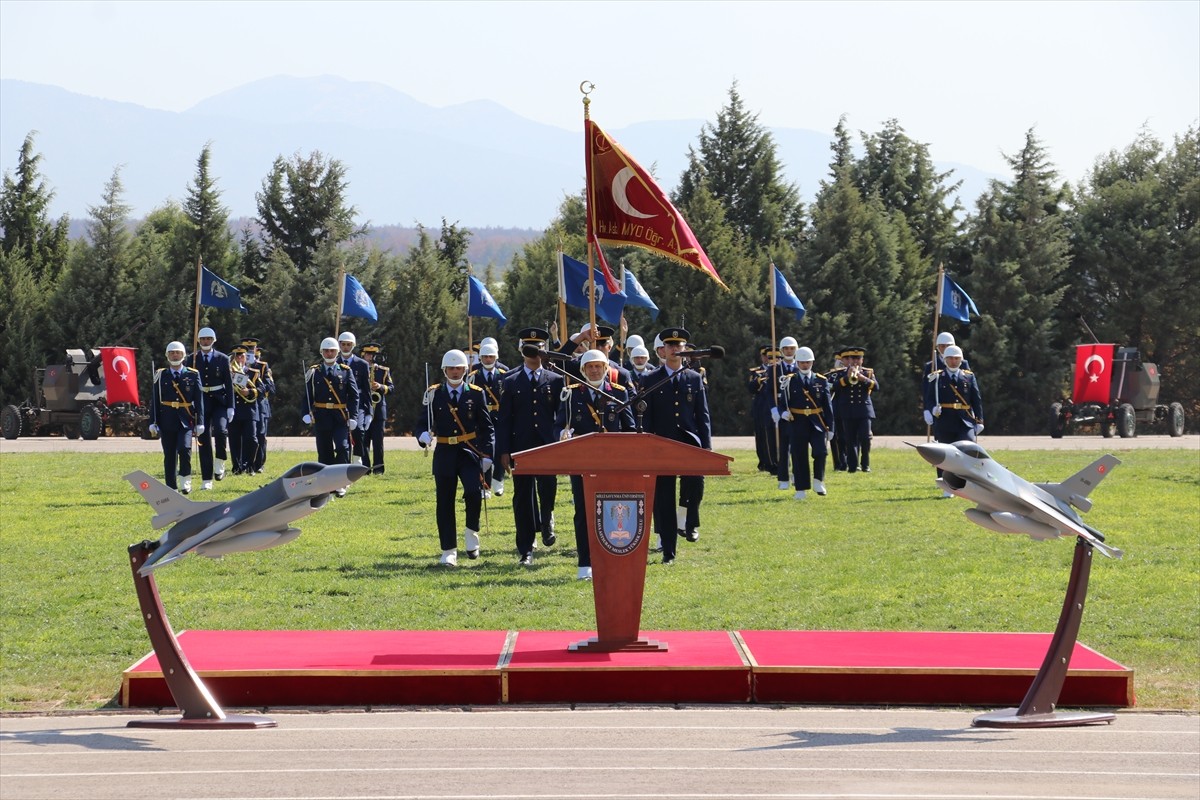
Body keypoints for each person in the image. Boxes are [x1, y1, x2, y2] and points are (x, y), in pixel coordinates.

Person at [554, 349, 637, 580]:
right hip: (582, 463)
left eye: (598, 366)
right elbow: (559, 425)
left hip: (612, 464)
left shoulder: (619, 393)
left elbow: (630, 429)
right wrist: (562, 433)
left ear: (605, 369)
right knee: (583, 512)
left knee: (612, 511)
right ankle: (585, 563)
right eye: (589, 367)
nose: (594, 370)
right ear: (582, 370)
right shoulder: (571, 395)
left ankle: (611, 557)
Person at [415, 349, 494, 566]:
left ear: (465, 369)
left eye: (459, 368)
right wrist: (422, 435)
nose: (456, 372)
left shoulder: (476, 393)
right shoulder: (434, 393)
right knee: (445, 502)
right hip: (444, 453)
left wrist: (488, 455)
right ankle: (449, 550)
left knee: (473, 493)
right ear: (444, 370)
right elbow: (422, 422)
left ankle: (471, 534)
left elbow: (487, 428)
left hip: (469, 453)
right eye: (451, 368)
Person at [639, 327, 711, 565]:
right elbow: (646, 417)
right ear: (663, 350)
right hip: (662, 444)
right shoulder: (650, 379)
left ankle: (689, 523)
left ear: (684, 350)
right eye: (670, 345)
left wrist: (706, 447)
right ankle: (669, 550)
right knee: (664, 498)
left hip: (690, 442)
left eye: (678, 346)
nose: (674, 349)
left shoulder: (694, 377)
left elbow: (703, 415)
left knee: (695, 485)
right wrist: (647, 447)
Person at [495, 327, 565, 566]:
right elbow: (504, 419)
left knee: (548, 489)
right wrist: (503, 451)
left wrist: (558, 441)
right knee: (522, 497)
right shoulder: (510, 380)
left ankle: (546, 520)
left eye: (539, 347)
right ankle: (525, 549)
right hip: (520, 446)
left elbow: (560, 416)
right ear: (520, 349)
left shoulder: (555, 380)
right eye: (529, 347)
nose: (534, 352)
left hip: (547, 447)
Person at [923, 344, 984, 497]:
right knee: (945, 453)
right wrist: (932, 410)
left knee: (968, 451)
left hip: (965, 421)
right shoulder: (937, 377)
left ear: (961, 359)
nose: (953, 361)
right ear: (944, 359)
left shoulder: (969, 376)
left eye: (957, 358)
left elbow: (976, 400)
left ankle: (969, 482)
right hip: (945, 420)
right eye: (950, 358)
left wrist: (980, 420)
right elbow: (929, 398)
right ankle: (946, 485)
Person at [301, 337, 362, 486]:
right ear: (321, 352)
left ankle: (341, 481)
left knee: (342, 447)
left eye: (332, 351)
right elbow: (307, 395)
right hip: (321, 417)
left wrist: (353, 416)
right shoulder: (314, 371)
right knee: (324, 450)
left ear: (337, 352)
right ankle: (326, 482)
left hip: (340, 417)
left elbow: (354, 396)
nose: (329, 353)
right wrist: (305, 412)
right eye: (326, 351)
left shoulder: (346, 371)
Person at [776, 346, 834, 499]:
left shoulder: (821, 381)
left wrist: (831, 427)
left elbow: (828, 407)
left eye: (808, 362)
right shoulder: (789, 381)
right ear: (797, 363)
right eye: (802, 362)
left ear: (812, 362)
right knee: (799, 455)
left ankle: (818, 480)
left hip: (817, 422)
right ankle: (801, 490)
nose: (805, 365)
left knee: (821, 452)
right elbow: (782, 403)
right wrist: (783, 413)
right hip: (797, 422)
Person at [148, 341, 203, 493]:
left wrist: (201, 423)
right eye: (172, 353)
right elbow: (155, 400)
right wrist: (153, 421)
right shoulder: (160, 375)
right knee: (170, 455)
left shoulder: (193, 375)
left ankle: (185, 480)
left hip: (186, 420)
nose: (175, 355)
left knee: (185, 449)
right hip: (167, 420)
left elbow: (199, 400)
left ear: (183, 355)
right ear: (167, 355)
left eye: (177, 352)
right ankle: (171, 487)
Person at [187, 326, 233, 490]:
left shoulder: (222, 359)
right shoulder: (192, 359)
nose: (206, 341)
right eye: (203, 339)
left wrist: (231, 406)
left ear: (214, 340)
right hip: (201, 401)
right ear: (198, 341)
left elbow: (228, 383)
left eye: (208, 339)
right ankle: (207, 479)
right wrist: (189, 402)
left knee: (221, 431)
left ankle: (220, 459)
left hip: (219, 400)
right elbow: (188, 383)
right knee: (203, 439)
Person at [828, 346, 877, 473]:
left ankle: (865, 464)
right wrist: (846, 378)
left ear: (862, 360)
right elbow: (834, 387)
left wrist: (863, 378)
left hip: (864, 410)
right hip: (848, 410)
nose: (855, 361)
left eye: (858, 358)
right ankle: (852, 465)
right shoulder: (841, 373)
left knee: (865, 438)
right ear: (848, 360)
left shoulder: (868, 372)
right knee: (850, 439)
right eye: (852, 359)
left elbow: (876, 387)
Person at [468, 339, 508, 494]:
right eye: (485, 357)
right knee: (483, 449)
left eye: (491, 357)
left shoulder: (505, 373)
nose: (488, 360)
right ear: (481, 358)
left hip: (500, 415)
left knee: (499, 448)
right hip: (481, 417)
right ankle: (485, 485)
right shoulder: (473, 375)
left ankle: (499, 480)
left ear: (496, 357)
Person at [770, 336, 802, 490]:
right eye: (786, 349)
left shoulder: (801, 367)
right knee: (783, 448)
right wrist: (774, 410)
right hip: (781, 411)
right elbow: (769, 392)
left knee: (797, 446)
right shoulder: (774, 369)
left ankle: (797, 474)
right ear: (781, 351)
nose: (789, 351)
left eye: (792, 348)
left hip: (797, 412)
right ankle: (783, 478)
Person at [337, 331, 372, 466]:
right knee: (343, 433)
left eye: (348, 344)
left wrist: (369, 411)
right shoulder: (335, 362)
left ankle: (357, 457)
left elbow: (367, 389)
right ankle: (344, 460)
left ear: (353, 345)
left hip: (358, 403)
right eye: (343, 344)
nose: (346, 347)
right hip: (340, 403)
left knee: (358, 429)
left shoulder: (362, 364)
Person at [360, 342, 394, 475]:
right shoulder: (359, 369)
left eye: (373, 354)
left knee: (378, 442)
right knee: (363, 441)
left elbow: (391, 388)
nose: (371, 357)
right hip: (363, 409)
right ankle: (365, 469)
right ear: (363, 355)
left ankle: (379, 469)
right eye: (368, 354)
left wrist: (380, 386)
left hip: (379, 411)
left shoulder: (384, 370)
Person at [227, 345, 260, 475]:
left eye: (242, 355)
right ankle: (237, 467)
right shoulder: (229, 373)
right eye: (237, 355)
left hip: (249, 411)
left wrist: (250, 391)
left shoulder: (253, 372)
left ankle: (249, 465)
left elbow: (262, 389)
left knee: (252, 439)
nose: (239, 358)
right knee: (234, 440)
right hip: (234, 410)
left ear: (246, 357)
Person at [243, 338, 274, 474]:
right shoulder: (236, 366)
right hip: (244, 406)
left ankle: (259, 464)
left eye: (252, 349)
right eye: (247, 349)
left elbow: (271, 387)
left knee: (260, 435)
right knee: (247, 436)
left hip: (260, 405)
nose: (250, 351)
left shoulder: (262, 366)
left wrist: (255, 389)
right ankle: (245, 463)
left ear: (256, 350)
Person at [748, 345, 780, 474]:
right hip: (762, 409)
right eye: (770, 357)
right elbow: (751, 388)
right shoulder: (758, 372)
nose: (772, 359)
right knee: (764, 438)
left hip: (778, 408)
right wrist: (759, 381)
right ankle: (766, 462)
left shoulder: (782, 371)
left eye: (777, 357)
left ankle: (778, 462)